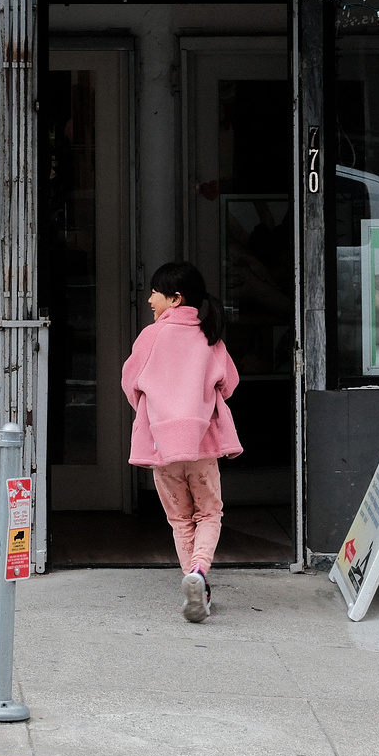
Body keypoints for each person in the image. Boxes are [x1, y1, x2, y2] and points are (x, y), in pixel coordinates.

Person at [121, 261, 242, 623]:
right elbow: (229, 384)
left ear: (175, 298)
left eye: (155, 293)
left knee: (180, 519)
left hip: (162, 447)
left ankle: (194, 581)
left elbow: (130, 384)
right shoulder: (210, 338)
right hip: (202, 445)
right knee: (209, 512)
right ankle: (200, 574)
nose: (149, 300)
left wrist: (157, 409)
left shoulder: (150, 337)